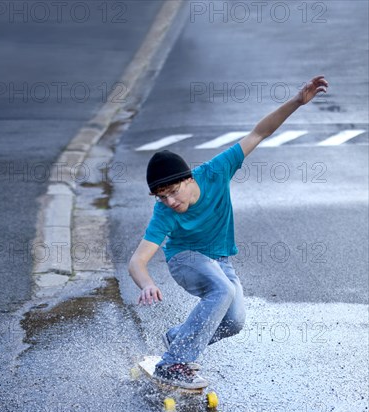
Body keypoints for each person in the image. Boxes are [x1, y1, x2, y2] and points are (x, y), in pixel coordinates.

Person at [128, 75, 328, 389]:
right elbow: (137, 261)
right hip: (185, 260)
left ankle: (177, 338)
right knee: (221, 290)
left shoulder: (216, 171)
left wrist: (296, 102)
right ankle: (174, 363)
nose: (170, 201)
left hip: (219, 260)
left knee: (234, 322)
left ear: (190, 178)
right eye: (161, 196)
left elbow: (259, 132)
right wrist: (147, 284)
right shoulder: (164, 212)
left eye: (173, 191)